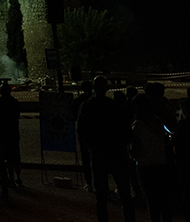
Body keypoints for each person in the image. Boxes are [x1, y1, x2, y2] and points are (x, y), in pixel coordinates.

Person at [76, 75, 135, 222]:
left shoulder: (87, 106)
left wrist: (91, 147)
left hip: (99, 154)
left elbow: (81, 131)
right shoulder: (114, 106)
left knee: (101, 195)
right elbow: (127, 131)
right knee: (124, 193)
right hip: (116, 153)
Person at [130, 93, 174, 222]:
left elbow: (135, 150)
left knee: (151, 201)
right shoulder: (157, 121)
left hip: (146, 166)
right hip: (161, 164)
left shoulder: (137, 125)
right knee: (164, 200)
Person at [0, 83, 23, 187]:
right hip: (13, 133)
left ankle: (8, 178)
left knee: (5, 157)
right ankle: (18, 178)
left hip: (2, 134)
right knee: (15, 157)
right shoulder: (15, 102)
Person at [72, 80, 94, 191]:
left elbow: (73, 115)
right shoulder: (104, 101)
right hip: (98, 135)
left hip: (85, 135)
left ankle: (89, 183)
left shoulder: (79, 101)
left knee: (86, 158)